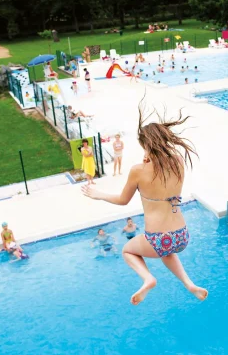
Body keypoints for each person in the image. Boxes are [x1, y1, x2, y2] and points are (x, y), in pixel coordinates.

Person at [82, 100, 208, 306]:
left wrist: (99, 194)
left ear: (146, 145)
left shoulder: (138, 170)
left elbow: (123, 200)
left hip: (157, 238)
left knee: (128, 250)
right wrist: (150, 156)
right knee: (166, 253)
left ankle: (148, 278)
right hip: (182, 235)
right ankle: (189, 284)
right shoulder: (178, 161)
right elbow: (161, 167)